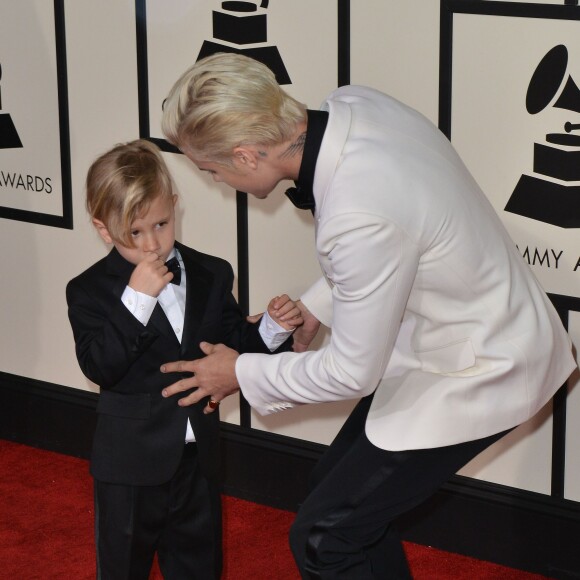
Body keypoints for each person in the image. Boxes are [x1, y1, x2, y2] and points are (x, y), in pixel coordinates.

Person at [158, 53, 577, 579]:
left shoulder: (355, 213)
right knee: (336, 513)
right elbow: (405, 231)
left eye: (210, 169)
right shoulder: (356, 103)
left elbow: (353, 369)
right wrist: (319, 303)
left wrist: (237, 371)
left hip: (486, 363)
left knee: (323, 537)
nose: (215, 182)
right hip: (464, 330)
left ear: (245, 157)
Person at [66, 138, 301, 580]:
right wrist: (135, 299)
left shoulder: (212, 272)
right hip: (129, 467)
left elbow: (231, 349)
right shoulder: (89, 291)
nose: (152, 243)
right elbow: (101, 366)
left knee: (200, 564)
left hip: (199, 458)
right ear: (103, 228)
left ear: (174, 206)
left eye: (161, 223)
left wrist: (271, 328)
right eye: (134, 233)